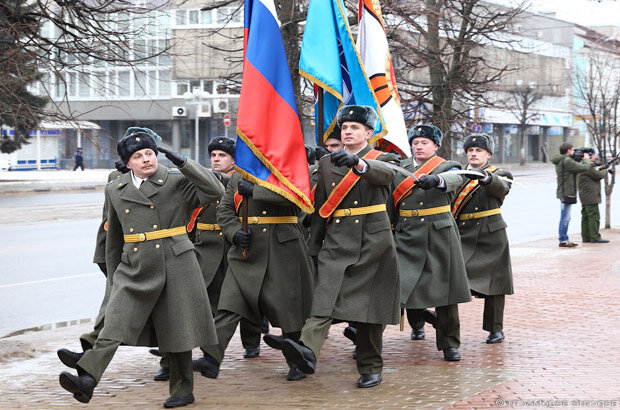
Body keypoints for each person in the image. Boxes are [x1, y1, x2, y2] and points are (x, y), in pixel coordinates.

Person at [58, 128, 225, 408]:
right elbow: (114, 237)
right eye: (138, 156)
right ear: (128, 162)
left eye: (150, 153)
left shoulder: (176, 181)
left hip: (176, 264)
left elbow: (215, 190)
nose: (146, 159)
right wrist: (113, 277)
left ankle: (183, 390)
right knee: (115, 322)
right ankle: (88, 378)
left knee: (178, 331)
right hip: (134, 266)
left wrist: (184, 163)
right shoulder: (115, 188)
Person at [279, 105, 400, 389]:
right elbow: (321, 204)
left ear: (368, 133)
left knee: (368, 309)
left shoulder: (384, 157)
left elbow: (387, 175)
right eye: (344, 127)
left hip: (374, 240)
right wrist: (314, 243)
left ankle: (370, 366)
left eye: (354, 127)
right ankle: (307, 351)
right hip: (337, 239)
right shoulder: (327, 162)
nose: (347, 131)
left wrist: (358, 164)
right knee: (324, 297)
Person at [192, 160, 314, 382]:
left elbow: (298, 200)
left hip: (283, 246)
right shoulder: (240, 176)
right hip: (246, 249)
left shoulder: (287, 169)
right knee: (229, 305)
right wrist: (233, 231)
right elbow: (225, 209)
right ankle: (211, 358)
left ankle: (298, 359)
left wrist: (256, 191)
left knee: (289, 308)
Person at [390, 124, 471, 361]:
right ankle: (366, 337)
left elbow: (456, 178)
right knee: (397, 285)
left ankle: (449, 343)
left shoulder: (447, 166)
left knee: (446, 292)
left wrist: (437, 180)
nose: (418, 146)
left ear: (435, 146)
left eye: (424, 142)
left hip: (438, 233)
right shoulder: (401, 167)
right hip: (406, 232)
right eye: (415, 142)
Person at [198, 137, 263, 358]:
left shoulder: (240, 179)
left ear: (234, 160)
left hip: (234, 245)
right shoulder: (206, 178)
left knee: (245, 297)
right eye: (213, 155)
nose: (216, 159)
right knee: (208, 300)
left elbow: (223, 183)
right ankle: (206, 348)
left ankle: (252, 341)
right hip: (207, 247)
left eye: (222, 156)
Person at [453, 133, 514, 344]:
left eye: (478, 150)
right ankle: (442, 319)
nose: (473, 154)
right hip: (462, 233)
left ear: (488, 154)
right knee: (449, 277)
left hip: (491, 235)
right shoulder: (457, 174)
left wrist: (487, 179)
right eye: (470, 150)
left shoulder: (500, 174)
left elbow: (502, 188)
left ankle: (495, 329)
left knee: (496, 284)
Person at [551, 142, 592, 248]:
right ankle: (563, 240)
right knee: (565, 217)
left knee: (565, 217)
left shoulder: (563, 160)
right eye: (573, 150)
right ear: (568, 150)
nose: (574, 152)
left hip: (564, 191)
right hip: (566, 192)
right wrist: (586, 159)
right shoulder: (567, 161)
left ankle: (564, 239)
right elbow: (584, 168)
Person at [577, 153, 610, 244]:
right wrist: (606, 170)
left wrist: (601, 167)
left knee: (586, 217)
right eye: (594, 155)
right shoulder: (587, 166)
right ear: (589, 156)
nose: (595, 157)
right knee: (593, 217)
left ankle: (586, 237)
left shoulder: (582, 165)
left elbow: (594, 171)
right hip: (590, 196)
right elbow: (598, 175)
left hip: (585, 195)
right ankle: (595, 237)